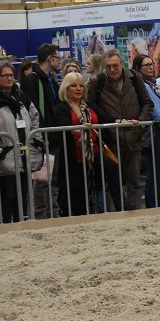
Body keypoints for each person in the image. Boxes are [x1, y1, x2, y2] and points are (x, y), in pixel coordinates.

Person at [87, 48, 153, 210]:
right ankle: (114, 215)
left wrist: (139, 121)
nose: (112, 70)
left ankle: (135, 213)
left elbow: (147, 103)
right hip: (110, 139)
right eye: (108, 67)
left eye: (115, 66)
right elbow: (91, 106)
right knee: (111, 182)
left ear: (122, 64)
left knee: (134, 181)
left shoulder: (134, 78)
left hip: (133, 136)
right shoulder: (97, 81)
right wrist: (109, 121)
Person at [0, 61, 42, 223]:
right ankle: (4, 227)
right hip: (6, 158)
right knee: (7, 197)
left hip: (25, 154)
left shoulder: (21, 96)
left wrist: (36, 139)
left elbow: (35, 116)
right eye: (5, 75)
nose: (10, 78)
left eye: (11, 75)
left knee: (23, 196)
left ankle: (21, 225)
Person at [51, 72, 105, 217]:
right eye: (73, 86)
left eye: (81, 85)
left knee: (93, 190)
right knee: (74, 195)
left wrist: (121, 121)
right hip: (72, 158)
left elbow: (106, 117)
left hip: (93, 156)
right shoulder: (60, 108)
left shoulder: (90, 105)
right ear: (66, 88)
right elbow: (63, 123)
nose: (78, 89)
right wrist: (77, 129)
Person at [21, 42, 63, 218]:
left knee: (52, 181)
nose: (60, 62)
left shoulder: (50, 79)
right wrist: (39, 137)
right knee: (41, 181)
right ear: (50, 58)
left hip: (53, 138)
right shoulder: (32, 80)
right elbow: (33, 111)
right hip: (42, 140)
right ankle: (40, 217)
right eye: (58, 58)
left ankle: (52, 214)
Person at [133, 53, 160, 208]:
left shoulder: (151, 84)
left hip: (159, 128)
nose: (151, 67)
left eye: (151, 64)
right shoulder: (143, 85)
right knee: (155, 170)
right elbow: (156, 111)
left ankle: (157, 201)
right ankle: (153, 202)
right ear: (138, 68)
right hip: (155, 131)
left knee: (158, 168)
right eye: (147, 65)